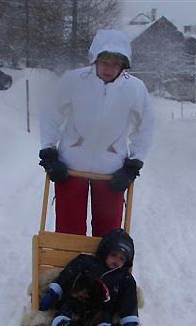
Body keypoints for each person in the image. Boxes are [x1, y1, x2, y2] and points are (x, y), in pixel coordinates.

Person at [39, 29, 155, 237]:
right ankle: (71, 268)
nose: (109, 68)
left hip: (111, 173)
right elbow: (50, 114)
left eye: (115, 63)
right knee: (69, 229)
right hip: (71, 168)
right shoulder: (73, 81)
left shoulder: (135, 89)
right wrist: (49, 152)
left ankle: (104, 270)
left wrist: (133, 164)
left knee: (108, 233)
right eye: (105, 62)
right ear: (95, 59)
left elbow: (145, 127)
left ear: (124, 64)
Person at [39, 228, 140, 326]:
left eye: (121, 258)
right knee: (66, 310)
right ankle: (64, 325)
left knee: (103, 322)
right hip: (77, 302)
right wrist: (54, 292)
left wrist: (130, 323)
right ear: (105, 252)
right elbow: (67, 275)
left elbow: (129, 299)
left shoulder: (125, 278)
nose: (116, 260)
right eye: (113, 255)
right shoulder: (86, 262)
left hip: (101, 311)